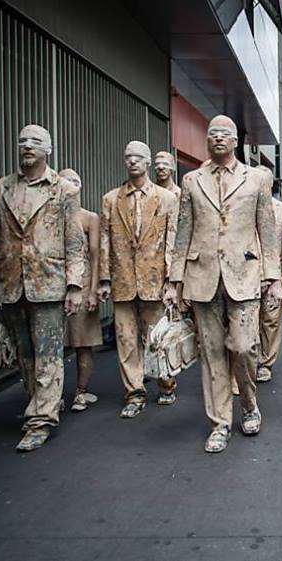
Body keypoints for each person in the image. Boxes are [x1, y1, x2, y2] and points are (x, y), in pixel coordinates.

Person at [166, 115, 281, 453]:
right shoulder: (191, 181)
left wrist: (273, 278)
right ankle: (220, 423)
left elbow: (268, 232)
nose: (217, 139)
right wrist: (175, 280)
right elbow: (182, 232)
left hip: (244, 276)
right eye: (212, 134)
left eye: (224, 134)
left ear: (235, 142)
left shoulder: (256, 179)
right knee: (212, 353)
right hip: (202, 277)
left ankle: (248, 404)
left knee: (244, 347)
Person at [0, 124, 84, 451]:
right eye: (22, 140)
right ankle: (40, 401)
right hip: (11, 283)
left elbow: (74, 241)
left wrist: (75, 285)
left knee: (49, 355)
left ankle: (40, 420)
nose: (27, 145)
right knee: (24, 355)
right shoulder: (0, 190)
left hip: (49, 282)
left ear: (48, 149)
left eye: (35, 141)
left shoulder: (64, 190)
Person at [98, 141, 180, 418]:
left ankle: (166, 384)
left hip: (155, 280)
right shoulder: (111, 199)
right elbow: (105, 240)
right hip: (122, 280)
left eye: (138, 157)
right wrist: (104, 279)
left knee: (157, 337)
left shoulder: (167, 199)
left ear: (147, 163)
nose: (132, 161)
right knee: (126, 338)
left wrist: (172, 282)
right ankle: (134, 393)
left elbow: (172, 242)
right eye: (128, 157)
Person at [58, 169, 103, 412]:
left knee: (83, 343)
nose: (72, 186)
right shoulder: (52, 216)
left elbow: (96, 256)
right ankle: (51, 398)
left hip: (83, 284)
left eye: (76, 181)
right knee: (52, 347)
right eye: (66, 181)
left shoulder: (89, 218)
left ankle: (81, 392)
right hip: (54, 287)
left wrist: (94, 290)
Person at [257, 192, 282, 383]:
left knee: (271, 321)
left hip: (275, 274)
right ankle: (249, 360)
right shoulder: (246, 202)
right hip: (249, 275)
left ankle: (266, 363)